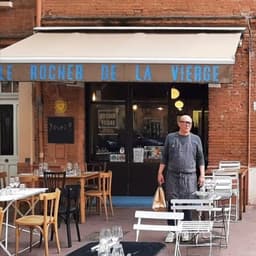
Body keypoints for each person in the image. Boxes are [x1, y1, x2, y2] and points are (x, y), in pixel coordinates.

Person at [157, 114, 205, 243]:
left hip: (190, 176)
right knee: (171, 203)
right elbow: (164, 157)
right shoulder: (171, 138)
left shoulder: (196, 139)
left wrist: (202, 175)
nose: (187, 125)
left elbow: (200, 158)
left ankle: (185, 231)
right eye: (185, 122)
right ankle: (172, 231)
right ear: (179, 123)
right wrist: (160, 172)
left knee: (187, 204)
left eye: (190, 123)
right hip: (172, 175)